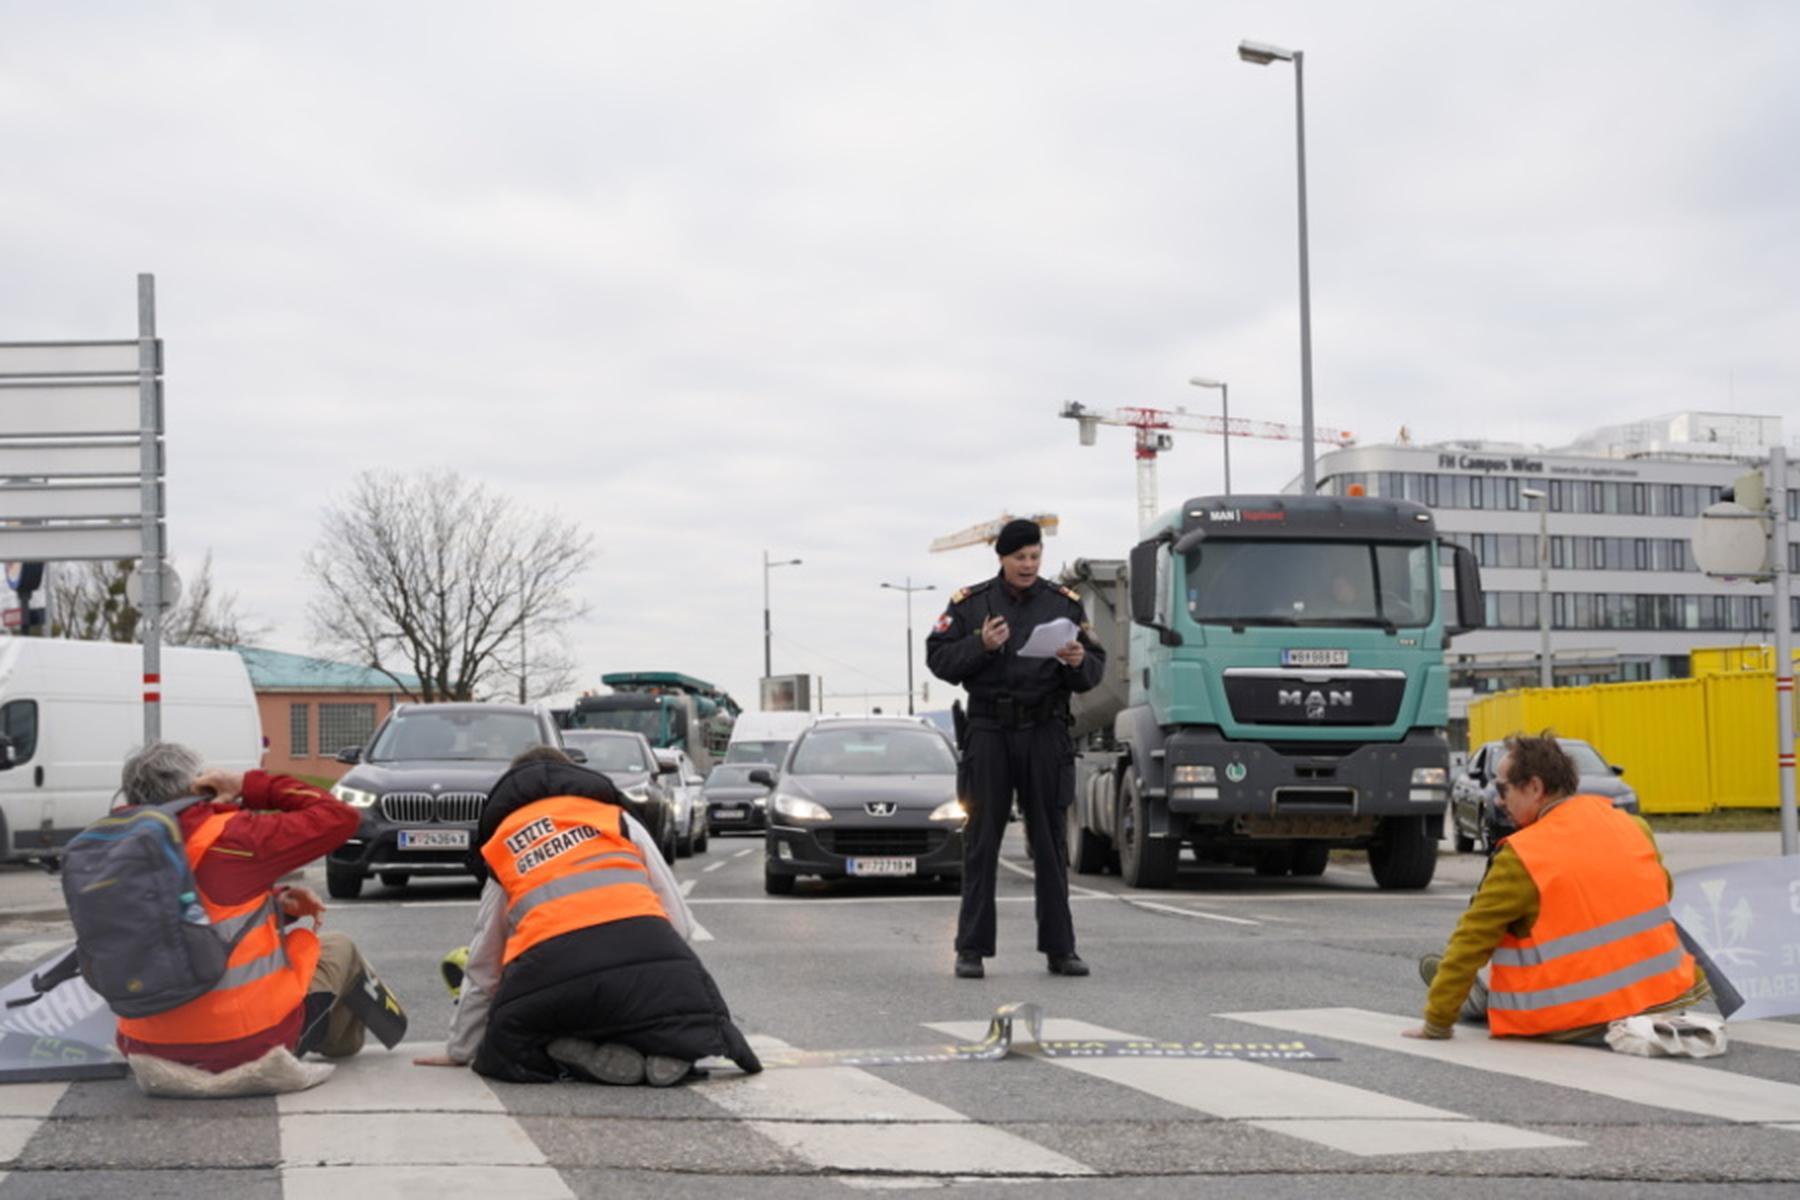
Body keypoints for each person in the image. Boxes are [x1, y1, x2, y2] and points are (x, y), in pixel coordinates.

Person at [417, 746, 761, 1085]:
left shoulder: (504, 840)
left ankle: (571, 1053)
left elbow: (484, 964)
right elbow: (679, 921)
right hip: (650, 959)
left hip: (552, 977)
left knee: (514, 1038)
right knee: (663, 1013)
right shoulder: (616, 819)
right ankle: (662, 1049)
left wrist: (460, 1049)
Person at [1405, 732, 1709, 1042]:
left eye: (1502, 788)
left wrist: (1436, 1023)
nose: (1498, 800)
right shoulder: (1633, 826)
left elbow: (1470, 942)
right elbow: (1663, 891)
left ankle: (1473, 995)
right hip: (1668, 998)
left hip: (1582, 1017)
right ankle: (1475, 991)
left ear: (1535, 787)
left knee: (1496, 966)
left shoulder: (1523, 856)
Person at [111, 741, 384, 1071]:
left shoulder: (110, 852)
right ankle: (339, 1042)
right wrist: (246, 785)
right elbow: (340, 816)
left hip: (144, 1046)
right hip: (244, 1046)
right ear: (198, 785)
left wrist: (274, 902)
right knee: (339, 948)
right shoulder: (234, 838)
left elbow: (182, 911)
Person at [926, 518, 1106, 980]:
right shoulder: (972, 603)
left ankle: (1060, 950)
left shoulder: (1061, 602)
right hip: (988, 731)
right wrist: (980, 645)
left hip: (1045, 730)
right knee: (981, 840)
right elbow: (939, 659)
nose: (1028, 565)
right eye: (1019, 557)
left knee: (1048, 841)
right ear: (1002, 559)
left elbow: (1093, 670)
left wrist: (1077, 661)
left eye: (1034, 556)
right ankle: (972, 949)